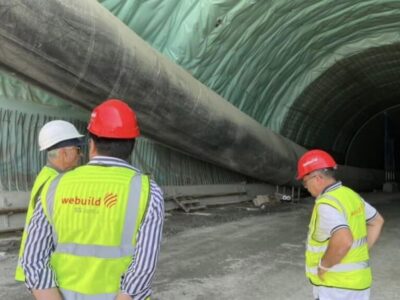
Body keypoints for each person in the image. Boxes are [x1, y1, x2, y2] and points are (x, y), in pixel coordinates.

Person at [21, 99, 164, 300]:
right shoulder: (148, 191)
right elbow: (143, 269)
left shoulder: (54, 187)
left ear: (91, 144)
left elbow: (33, 261)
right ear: (132, 144)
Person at [297, 149, 384, 300]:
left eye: (305, 182)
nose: (305, 187)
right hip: (359, 284)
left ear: (317, 178)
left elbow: (344, 239)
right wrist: (359, 251)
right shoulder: (350, 195)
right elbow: (377, 221)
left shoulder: (327, 204)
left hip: (336, 287)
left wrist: (324, 267)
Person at [15, 120, 84, 282]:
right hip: (44, 268)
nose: (81, 154)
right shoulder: (55, 183)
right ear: (63, 153)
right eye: (78, 149)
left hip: (40, 266)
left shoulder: (48, 176)